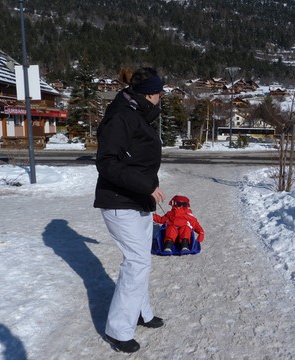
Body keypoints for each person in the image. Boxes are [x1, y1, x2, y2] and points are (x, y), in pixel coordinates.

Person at [94, 67, 166, 353]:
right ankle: (117, 329)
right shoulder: (121, 116)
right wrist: (146, 186)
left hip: (137, 200)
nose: (162, 98)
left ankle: (141, 312)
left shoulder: (136, 113)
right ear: (150, 94)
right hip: (119, 201)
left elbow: (137, 159)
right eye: (160, 93)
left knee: (141, 261)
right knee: (136, 263)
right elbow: (108, 162)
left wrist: (149, 187)